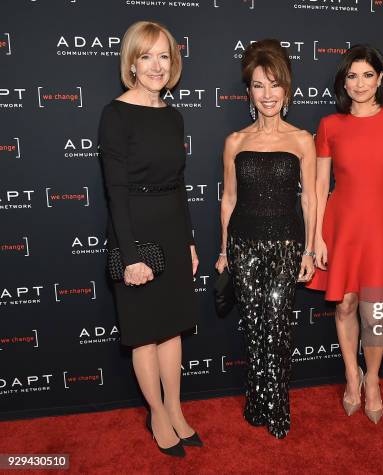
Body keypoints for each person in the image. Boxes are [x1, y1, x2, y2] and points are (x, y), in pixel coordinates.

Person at [98, 21, 201, 457]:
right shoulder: (115, 114)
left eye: (164, 56)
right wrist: (130, 254)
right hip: (134, 230)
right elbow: (115, 190)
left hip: (172, 230)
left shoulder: (173, 115)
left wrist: (190, 242)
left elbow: (178, 184)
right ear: (132, 64)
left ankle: (176, 409)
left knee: (173, 326)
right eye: (147, 56)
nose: (157, 65)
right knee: (144, 331)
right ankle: (157, 412)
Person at [307, 45, 383, 424]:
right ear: (343, 81)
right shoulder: (329, 125)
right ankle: (350, 375)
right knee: (345, 305)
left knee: (375, 311)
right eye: (351, 76)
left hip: (382, 224)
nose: (359, 83)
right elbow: (321, 186)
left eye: (367, 75)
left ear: (381, 79)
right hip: (341, 224)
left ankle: (373, 379)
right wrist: (318, 238)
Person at [215, 39, 316, 439]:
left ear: (286, 90)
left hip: (287, 246)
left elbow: (309, 198)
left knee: (277, 326)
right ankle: (257, 401)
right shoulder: (235, 142)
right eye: (259, 85)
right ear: (249, 92)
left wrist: (311, 247)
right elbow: (228, 199)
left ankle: (275, 407)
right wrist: (224, 251)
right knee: (255, 328)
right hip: (244, 245)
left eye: (275, 85)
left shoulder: (301, 139)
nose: (268, 94)